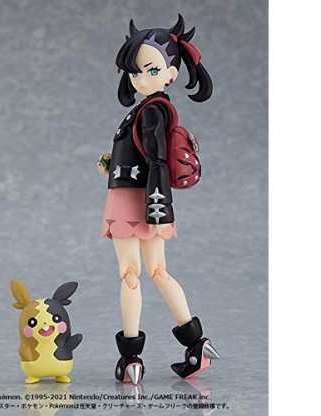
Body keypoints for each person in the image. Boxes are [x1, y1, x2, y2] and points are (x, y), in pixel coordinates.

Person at [97, 14, 219, 384]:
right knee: (158, 271)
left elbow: (158, 160)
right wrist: (114, 164)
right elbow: (146, 156)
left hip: (135, 201)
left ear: (171, 74)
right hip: (148, 198)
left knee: (130, 274)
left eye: (150, 70)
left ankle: (131, 359)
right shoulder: (150, 109)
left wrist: (157, 206)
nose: (140, 78)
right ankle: (197, 345)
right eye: (135, 71)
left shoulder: (152, 110)